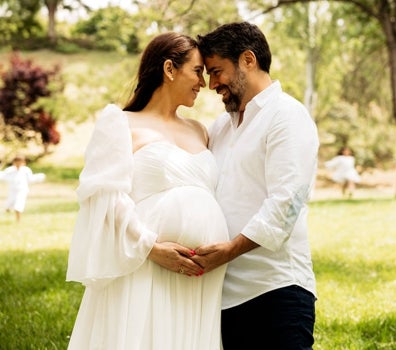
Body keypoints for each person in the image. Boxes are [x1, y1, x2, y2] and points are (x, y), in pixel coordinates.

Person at [66, 32, 228, 350]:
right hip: (146, 264)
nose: (203, 83)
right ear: (169, 69)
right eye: (197, 71)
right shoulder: (121, 123)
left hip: (202, 275)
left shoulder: (200, 130)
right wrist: (152, 248)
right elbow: (105, 197)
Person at [193, 22, 319, 349]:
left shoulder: (287, 116)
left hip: (276, 290)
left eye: (217, 71)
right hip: (221, 298)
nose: (211, 84)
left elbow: (286, 204)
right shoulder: (220, 127)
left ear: (248, 60)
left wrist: (230, 250)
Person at [0, 154, 45, 222]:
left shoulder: (26, 170)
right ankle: (8, 208)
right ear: (13, 162)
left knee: (18, 205)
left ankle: (18, 220)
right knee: (9, 204)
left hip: (22, 190)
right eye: (16, 162)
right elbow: (3, 176)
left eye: (20, 162)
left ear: (24, 163)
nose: (18, 163)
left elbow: (31, 179)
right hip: (12, 190)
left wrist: (39, 177)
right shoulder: (10, 170)